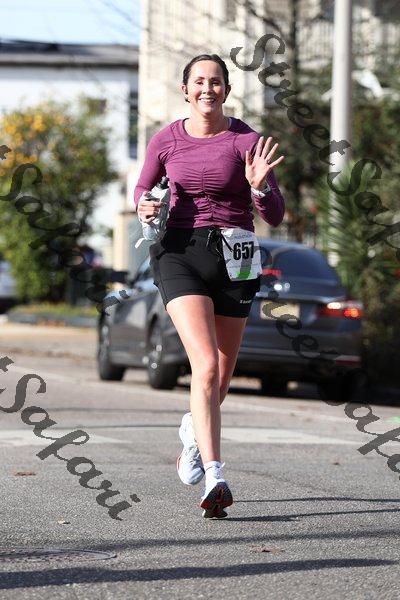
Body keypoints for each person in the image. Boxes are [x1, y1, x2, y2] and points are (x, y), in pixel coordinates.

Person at [133, 53, 285, 519]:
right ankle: (215, 474)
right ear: (185, 90)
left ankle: (192, 433)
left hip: (236, 256)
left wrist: (259, 188)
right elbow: (142, 190)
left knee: (220, 376)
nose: (207, 89)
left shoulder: (247, 141)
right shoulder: (166, 139)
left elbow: (275, 214)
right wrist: (144, 206)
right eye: (199, 81)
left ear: (226, 90)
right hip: (180, 251)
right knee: (204, 365)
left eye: (215, 82)